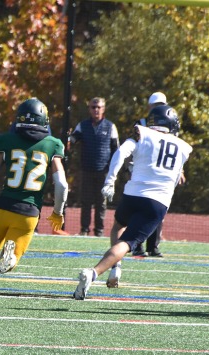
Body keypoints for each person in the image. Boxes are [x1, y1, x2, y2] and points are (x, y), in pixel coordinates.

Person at [0, 98, 68, 304]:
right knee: (11, 260)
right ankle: (12, 256)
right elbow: (62, 185)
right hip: (28, 212)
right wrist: (58, 212)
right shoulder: (53, 145)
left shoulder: (5, 140)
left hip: (3, 206)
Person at [73, 104, 192, 300]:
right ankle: (93, 273)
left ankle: (116, 267)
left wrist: (110, 180)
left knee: (118, 225)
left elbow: (121, 152)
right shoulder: (184, 147)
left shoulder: (142, 133)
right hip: (157, 202)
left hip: (133, 194)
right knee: (127, 243)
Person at [69, 97, 119, 236]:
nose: (96, 110)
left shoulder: (111, 126)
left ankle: (99, 231)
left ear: (103, 109)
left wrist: (114, 169)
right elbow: (73, 140)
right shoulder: (82, 125)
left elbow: (116, 149)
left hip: (104, 171)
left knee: (101, 203)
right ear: (89, 109)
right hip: (86, 169)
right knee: (85, 202)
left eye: (99, 107)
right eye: (93, 107)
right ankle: (84, 230)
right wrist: (67, 139)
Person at [132, 91, 168, 257]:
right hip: (142, 170)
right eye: (156, 106)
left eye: (161, 106)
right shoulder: (141, 124)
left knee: (158, 209)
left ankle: (153, 246)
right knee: (140, 208)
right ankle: (137, 245)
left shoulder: (169, 124)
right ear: (150, 107)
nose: (158, 109)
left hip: (160, 172)